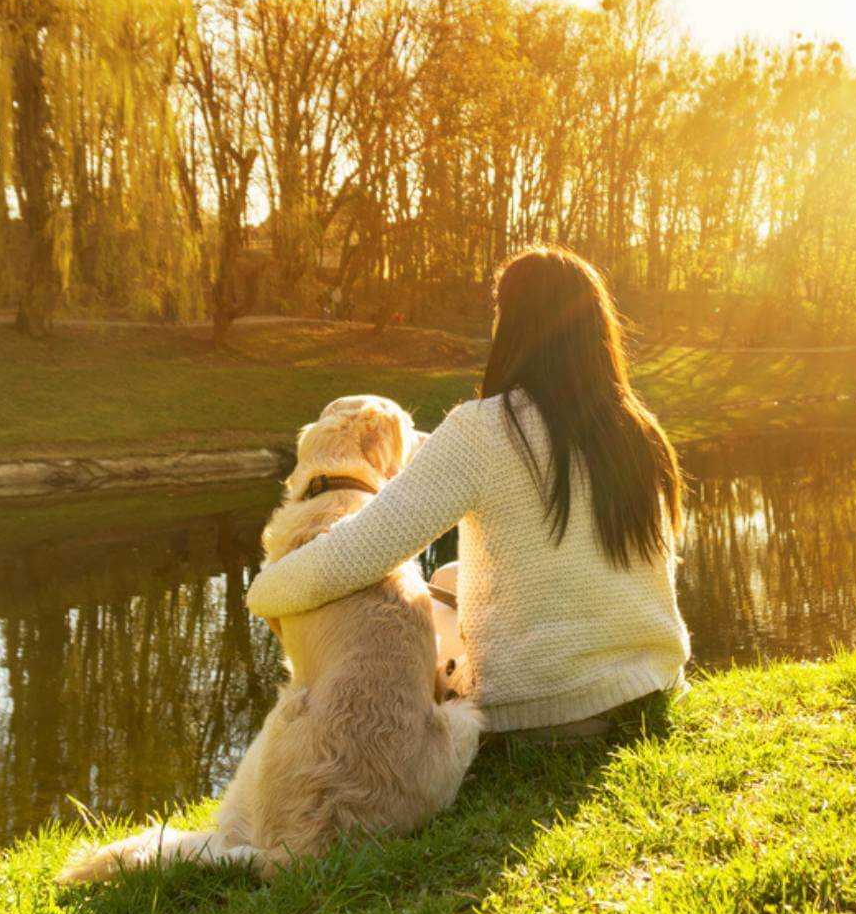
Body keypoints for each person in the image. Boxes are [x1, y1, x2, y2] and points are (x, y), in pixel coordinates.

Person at [247, 245, 690, 739]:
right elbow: (511, 468)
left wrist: (265, 591)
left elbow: (356, 554)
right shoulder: (637, 429)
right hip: (650, 682)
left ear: (514, 326)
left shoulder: (485, 430)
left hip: (544, 712)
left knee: (417, 599)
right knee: (453, 575)